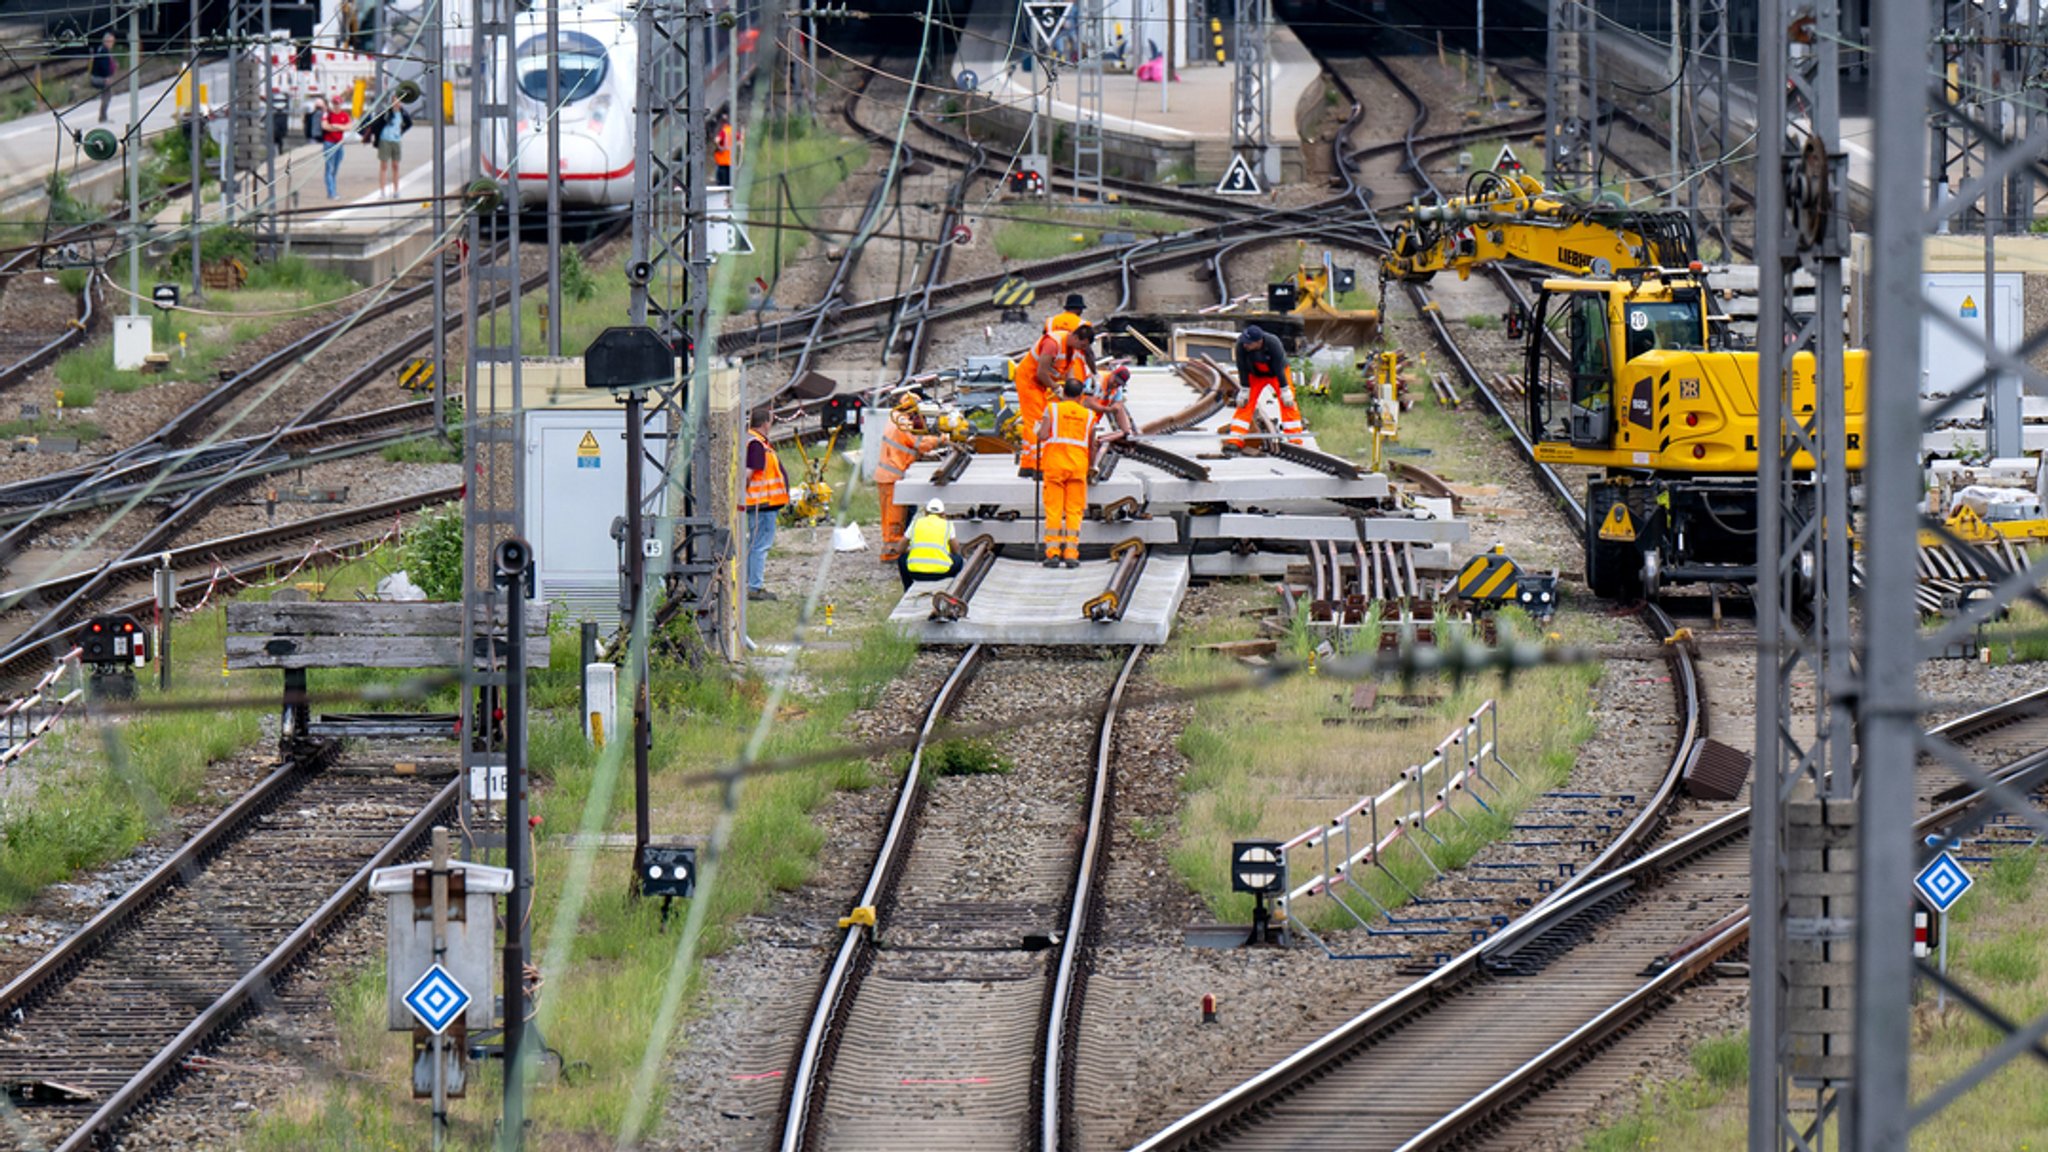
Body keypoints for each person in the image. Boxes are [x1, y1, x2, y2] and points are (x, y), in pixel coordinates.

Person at [1013, 323, 1091, 478]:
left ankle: (1027, 465)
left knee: (1043, 418)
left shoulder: (1072, 347)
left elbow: (1069, 370)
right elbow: (1041, 372)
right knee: (1035, 421)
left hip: (1042, 384)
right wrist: (1057, 389)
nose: (1082, 348)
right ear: (1075, 337)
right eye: (1081, 344)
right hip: (1029, 380)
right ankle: (1038, 466)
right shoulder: (1052, 344)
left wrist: (1072, 391)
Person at [1036, 379, 1098, 569]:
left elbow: (1043, 435)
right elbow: (1092, 444)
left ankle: (1053, 553)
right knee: (1074, 511)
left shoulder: (1052, 409)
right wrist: (1091, 466)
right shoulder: (1089, 415)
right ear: (1081, 396)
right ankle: (1071, 553)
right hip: (1078, 467)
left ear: (1064, 393)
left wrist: (1038, 429)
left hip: (1055, 466)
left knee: (1054, 510)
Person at [875, 393, 943, 564]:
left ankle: (897, 550)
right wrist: (942, 440)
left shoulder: (896, 418)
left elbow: (908, 446)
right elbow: (920, 442)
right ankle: (892, 554)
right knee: (894, 521)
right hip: (892, 476)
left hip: (889, 475)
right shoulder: (903, 423)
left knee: (899, 516)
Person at [1226, 324, 1305, 454]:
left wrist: (1284, 389)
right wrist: (1245, 389)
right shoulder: (1241, 345)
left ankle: (1295, 439)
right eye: (1245, 342)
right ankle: (1235, 440)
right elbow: (1242, 367)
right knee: (1245, 404)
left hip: (1277, 373)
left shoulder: (1273, 343)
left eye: (1249, 343)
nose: (1245, 345)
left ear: (1258, 342)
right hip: (1255, 374)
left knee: (1288, 402)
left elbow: (1279, 367)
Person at [742, 406, 787, 602]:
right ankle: (755, 587)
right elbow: (748, 474)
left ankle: (750, 584)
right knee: (760, 545)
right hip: (763, 504)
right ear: (765, 423)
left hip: (762, 503)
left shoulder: (753, 441)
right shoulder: (756, 445)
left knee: (754, 544)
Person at [900, 498, 962, 590]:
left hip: (916, 574)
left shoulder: (916, 523)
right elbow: (956, 550)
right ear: (943, 514)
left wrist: (911, 550)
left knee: (902, 559)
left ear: (925, 512)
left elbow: (900, 548)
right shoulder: (947, 524)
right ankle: (952, 590)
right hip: (941, 574)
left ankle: (907, 588)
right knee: (959, 560)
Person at [361, 99, 412, 198]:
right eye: (394, 101)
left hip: (396, 140)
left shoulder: (402, 113)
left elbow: (409, 123)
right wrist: (374, 136)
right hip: (385, 140)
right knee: (384, 166)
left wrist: (401, 131)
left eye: (398, 101)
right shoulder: (386, 113)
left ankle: (396, 191)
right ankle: (382, 191)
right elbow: (376, 124)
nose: (396, 104)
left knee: (395, 165)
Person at [319, 92, 353, 199]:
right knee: (329, 168)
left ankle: (333, 190)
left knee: (335, 168)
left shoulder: (344, 115)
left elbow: (349, 127)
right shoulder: (327, 114)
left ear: (341, 104)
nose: (336, 105)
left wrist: (336, 126)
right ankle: (331, 192)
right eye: (334, 103)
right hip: (329, 143)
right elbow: (325, 126)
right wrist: (338, 127)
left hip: (339, 144)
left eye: (338, 103)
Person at [89, 32, 118, 124]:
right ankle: (103, 117)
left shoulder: (101, 49)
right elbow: (103, 66)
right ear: (106, 41)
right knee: (107, 96)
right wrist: (106, 77)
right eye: (110, 42)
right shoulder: (103, 51)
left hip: (97, 76)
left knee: (106, 95)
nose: (112, 44)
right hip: (99, 78)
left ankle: (103, 116)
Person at [713, 114, 735, 185]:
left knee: (721, 182)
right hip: (730, 159)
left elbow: (717, 140)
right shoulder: (732, 131)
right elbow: (739, 138)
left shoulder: (723, 131)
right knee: (729, 181)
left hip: (722, 159)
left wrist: (719, 147)